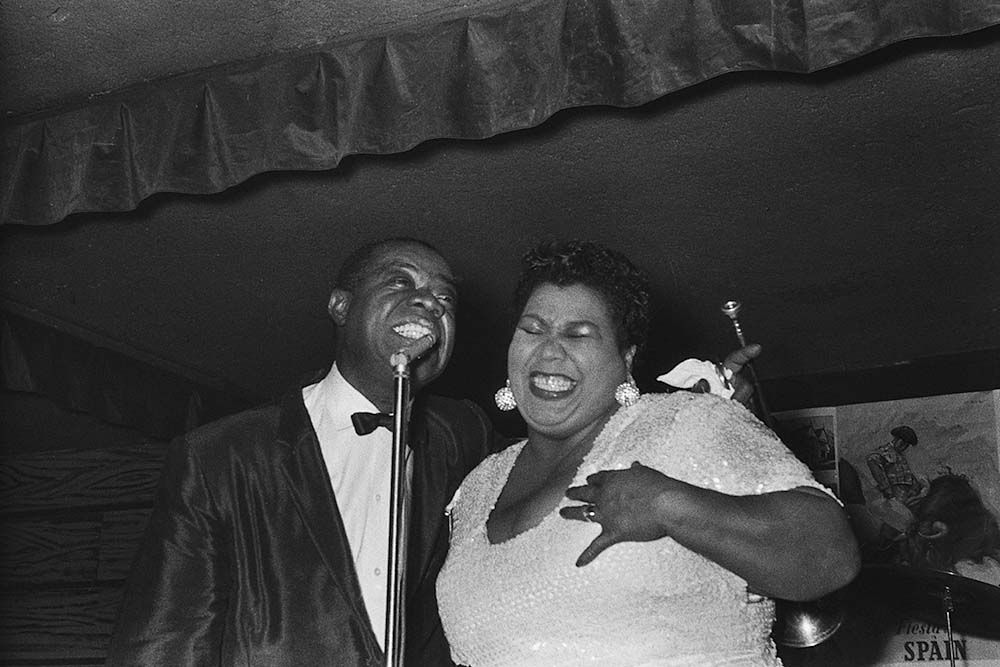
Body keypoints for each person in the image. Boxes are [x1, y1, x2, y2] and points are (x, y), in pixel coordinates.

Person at [436, 240, 861, 666]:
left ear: (626, 357)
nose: (549, 349)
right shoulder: (478, 486)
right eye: (532, 329)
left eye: (579, 334)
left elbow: (829, 555)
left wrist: (668, 504)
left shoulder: (681, 424)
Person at [107, 238, 496, 666]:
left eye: (445, 296)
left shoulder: (463, 437)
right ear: (340, 307)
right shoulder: (219, 456)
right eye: (400, 281)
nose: (430, 302)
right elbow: (163, 643)